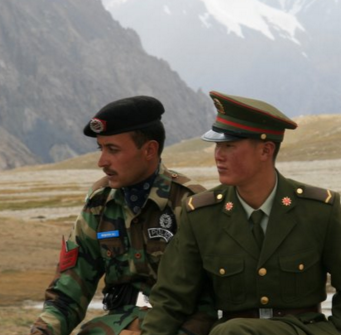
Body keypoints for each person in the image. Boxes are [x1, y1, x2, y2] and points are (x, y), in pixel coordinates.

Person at [141, 91, 341, 335]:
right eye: (218, 145)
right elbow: (172, 298)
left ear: (265, 151)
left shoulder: (319, 210)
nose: (219, 155)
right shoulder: (202, 215)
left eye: (229, 146)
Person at [30, 96, 216, 335]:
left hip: (179, 325)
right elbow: (68, 292)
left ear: (149, 150)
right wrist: (43, 331)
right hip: (118, 323)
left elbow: (214, 298)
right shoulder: (99, 206)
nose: (102, 161)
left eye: (113, 150)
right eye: (101, 148)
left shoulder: (189, 204)